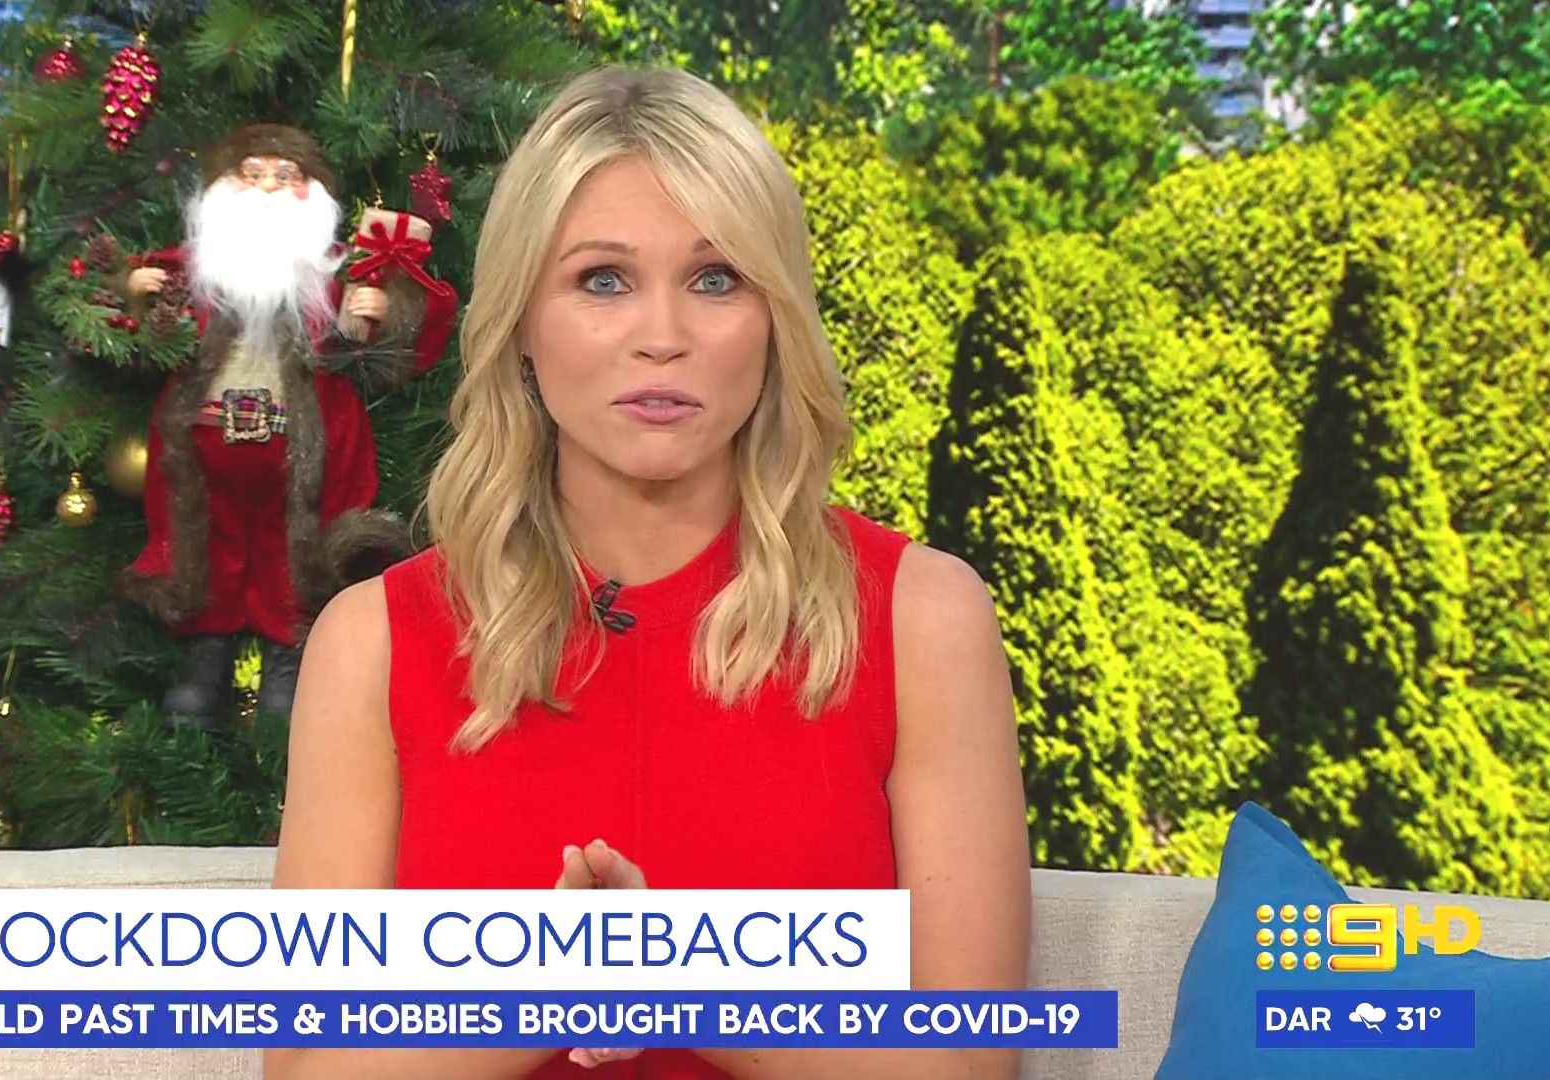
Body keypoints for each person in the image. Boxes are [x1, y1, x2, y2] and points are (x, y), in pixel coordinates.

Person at [268, 65, 1031, 1080]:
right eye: (603, 280)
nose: (662, 338)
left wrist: (680, 978)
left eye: (716, 279)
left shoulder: (920, 618)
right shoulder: (373, 642)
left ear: (775, 320)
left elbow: (969, 1065)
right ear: (522, 323)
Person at [116, 123, 455, 730]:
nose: (269, 188)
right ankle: (204, 657)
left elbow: (388, 347)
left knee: (294, 557)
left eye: (285, 176)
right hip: (203, 457)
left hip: (301, 452)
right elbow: (128, 325)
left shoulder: (330, 278)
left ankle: (290, 659)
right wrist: (135, 293)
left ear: (313, 194)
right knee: (202, 547)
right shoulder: (199, 273)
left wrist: (380, 312)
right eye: (252, 175)